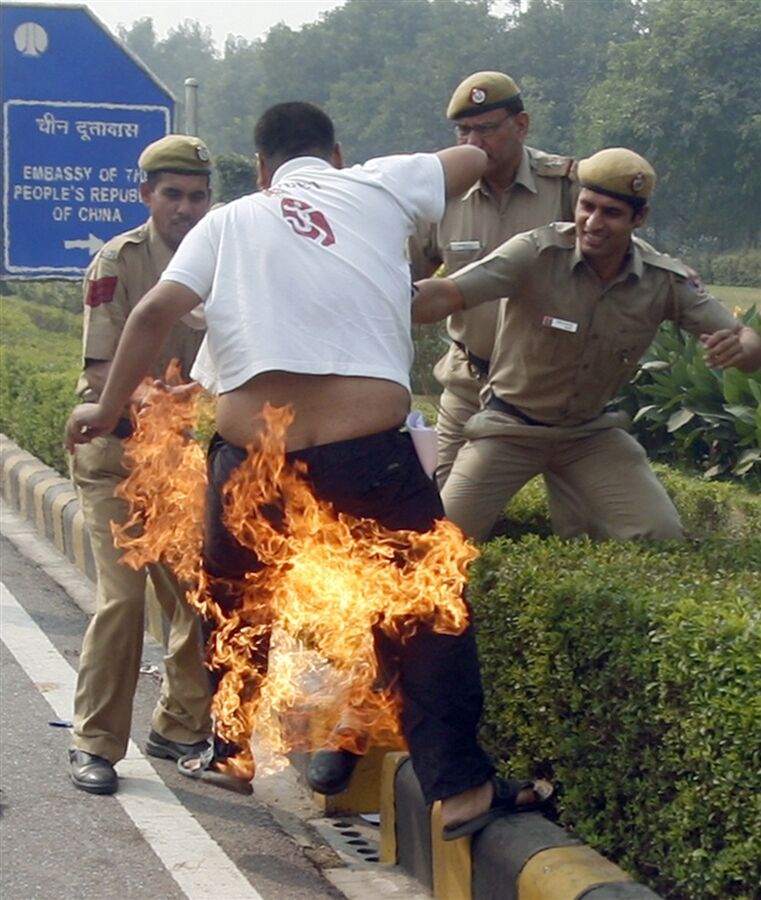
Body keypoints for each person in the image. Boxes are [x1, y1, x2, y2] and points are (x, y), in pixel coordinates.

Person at [64, 102, 553, 839]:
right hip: (367, 457)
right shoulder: (377, 185)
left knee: (235, 610)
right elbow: (475, 161)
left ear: (258, 168)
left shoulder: (226, 222)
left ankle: (230, 746)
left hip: (251, 468)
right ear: (335, 153)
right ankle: (458, 790)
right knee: (424, 618)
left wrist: (103, 412)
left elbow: (152, 314)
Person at [412, 147, 761, 542]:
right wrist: (387, 297)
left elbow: (745, 341)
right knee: (443, 543)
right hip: (511, 427)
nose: (593, 223)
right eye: (586, 206)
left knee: (660, 535)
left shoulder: (662, 279)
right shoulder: (535, 252)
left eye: (611, 213)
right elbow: (449, 293)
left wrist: (743, 350)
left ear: (639, 218)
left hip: (588, 435)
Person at [67, 134, 214, 795]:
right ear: (145, 195)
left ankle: (178, 725)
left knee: (202, 595)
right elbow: (104, 373)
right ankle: (95, 743)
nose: (186, 208)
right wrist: (176, 396)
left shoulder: (224, 258)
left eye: (197, 195)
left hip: (180, 458)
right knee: (123, 603)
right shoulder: (117, 261)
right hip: (116, 453)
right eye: (173, 195)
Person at [408, 70, 587, 537]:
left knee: (592, 529)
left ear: (521, 126)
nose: (472, 142)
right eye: (463, 131)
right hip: (471, 382)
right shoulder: (441, 196)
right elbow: (402, 278)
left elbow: (615, 252)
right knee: (443, 528)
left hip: (553, 393)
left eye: (486, 128)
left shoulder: (567, 187)